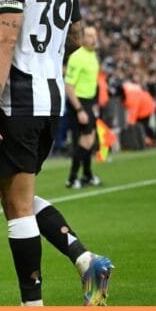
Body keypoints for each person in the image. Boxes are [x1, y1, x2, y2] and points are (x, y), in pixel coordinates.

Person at [0, 0, 113, 306]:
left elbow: (5, 37)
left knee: (17, 208)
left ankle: (32, 303)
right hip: (50, 99)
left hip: (18, 98)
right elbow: (69, 34)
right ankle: (84, 258)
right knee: (18, 195)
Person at [64, 26, 102, 189]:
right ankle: (72, 178)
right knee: (85, 139)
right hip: (78, 102)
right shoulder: (77, 57)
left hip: (89, 102)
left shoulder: (93, 55)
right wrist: (79, 109)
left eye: (95, 35)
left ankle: (87, 174)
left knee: (89, 138)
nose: (93, 38)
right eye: (89, 35)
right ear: (83, 38)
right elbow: (69, 85)